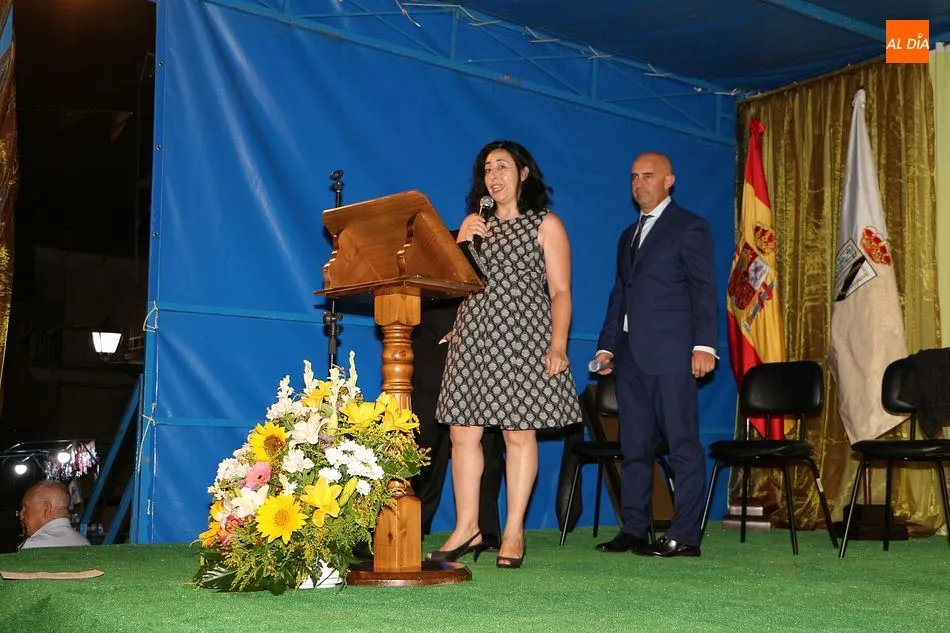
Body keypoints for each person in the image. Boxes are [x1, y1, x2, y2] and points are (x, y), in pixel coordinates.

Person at [429, 139, 583, 569]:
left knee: (518, 434)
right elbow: (457, 284)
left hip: (523, 336)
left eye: (502, 167)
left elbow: (561, 291)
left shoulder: (545, 224)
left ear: (523, 173)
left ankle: (513, 531)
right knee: (462, 432)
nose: (493, 176)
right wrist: (462, 242)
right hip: (473, 335)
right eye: (487, 169)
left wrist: (558, 344)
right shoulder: (475, 225)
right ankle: (468, 527)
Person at [593, 151, 717, 558]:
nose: (639, 184)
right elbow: (620, 293)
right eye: (634, 177)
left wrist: (704, 345)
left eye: (648, 176)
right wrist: (607, 346)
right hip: (630, 357)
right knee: (634, 449)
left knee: (682, 445)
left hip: (673, 355)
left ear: (669, 181)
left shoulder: (690, 227)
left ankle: (685, 535)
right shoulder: (627, 235)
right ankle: (633, 528)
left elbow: (702, 289)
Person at [411, 293, 505, 549]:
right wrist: (452, 327)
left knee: (487, 445)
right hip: (436, 347)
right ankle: (412, 523)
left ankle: (485, 528)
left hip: (486, 346)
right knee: (424, 447)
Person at [18, 480, 91, 550]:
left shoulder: (28, 547)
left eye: (26, 507)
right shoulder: (85, 543)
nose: (21, 514)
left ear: (47, 509)